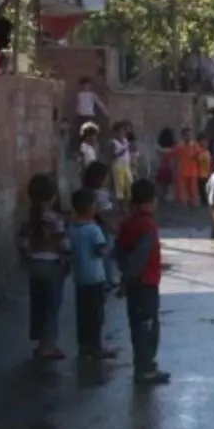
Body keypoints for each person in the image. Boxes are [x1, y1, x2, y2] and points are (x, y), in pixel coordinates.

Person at [114, 179, 170, 384]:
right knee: (148, 326)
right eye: (153, 200)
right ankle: (145, 367)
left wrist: (124, 277)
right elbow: (140, 257)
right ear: (147, 203)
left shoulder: (127, 224)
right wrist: (126, 279)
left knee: (137, 325)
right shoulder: (148, 225)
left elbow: (119, 251)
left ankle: (143, 364)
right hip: (145, 282)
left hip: (136, 283)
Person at [18, 174, 69, 360]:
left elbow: (22, 242)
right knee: (52, 306)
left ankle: (40, 341)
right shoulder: (55, 218)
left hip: (34, 265)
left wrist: (25, 258)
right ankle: (49, 345)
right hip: (52, 265)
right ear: (53, 196)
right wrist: (66, 259)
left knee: (38, 304)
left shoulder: (29, 218)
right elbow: (63, 243)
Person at [67, 189, 115, 360]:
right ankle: (96, 347)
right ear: (90, 208)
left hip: (80, 278)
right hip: (95, 277)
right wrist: (109, 248)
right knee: (96, 314)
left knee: (83, 315)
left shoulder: (72, 229)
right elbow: (100, 250)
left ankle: (84, 346)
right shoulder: (93, 229)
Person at [84, 161, 119, 287]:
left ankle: (105, 278)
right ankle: (108, 279)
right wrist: (113, 227)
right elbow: (104, 213)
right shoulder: (101, 194)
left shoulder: (89, 192)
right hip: (104, 227)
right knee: (106, 255)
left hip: (96, 226)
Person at [173, 127, 200, 208]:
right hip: (182, 171)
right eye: (187, 135)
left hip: (192, 171)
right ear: (183, 136)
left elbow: (198, 156)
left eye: (190, 135)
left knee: (192, 188)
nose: (189, 136)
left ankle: (193, 203)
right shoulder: (179, 146)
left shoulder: (194, 145)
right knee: (182, 188)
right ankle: (184, 202)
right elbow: (176, 156)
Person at [110, 122, 133, 206]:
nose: (122, 133)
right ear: (116, 132)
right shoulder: (113, 142)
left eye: (123, 131)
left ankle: (129, 202)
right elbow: (112, 155)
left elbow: (129, 152)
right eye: (120, 131)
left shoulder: (125, 140)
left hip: (126, 165)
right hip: (118, 166)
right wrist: (121, 151)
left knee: (129, 183)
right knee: (120, 186)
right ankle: (121, 205)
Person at [156, 127, 178, 201]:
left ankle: (161, 198)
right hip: (171, 168)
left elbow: (160, 153)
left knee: (161, 187)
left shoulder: (159, 147)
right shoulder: (175, 147)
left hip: (162, 169)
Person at [195, 134, 213, 207]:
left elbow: (209, 163)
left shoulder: (207, 152)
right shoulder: (199, 152)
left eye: (207, 142)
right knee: (201, 188)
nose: (206, 143)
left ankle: (205, 200)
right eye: (204, 142)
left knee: (205, 188)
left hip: (206, 173)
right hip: (199, 173)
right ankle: (204, 201)